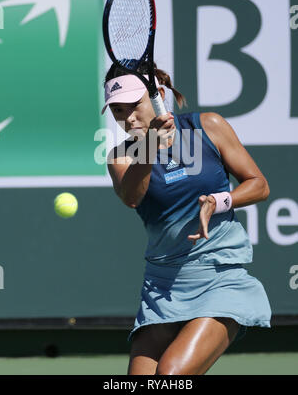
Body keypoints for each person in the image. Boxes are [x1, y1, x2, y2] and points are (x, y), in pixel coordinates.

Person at [101, 62, 272, 375]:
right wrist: (150, 143)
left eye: (135, 105)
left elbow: (259, 185)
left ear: (159, 96)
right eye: (118, 111)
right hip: (161, 287)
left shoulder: (209, 126)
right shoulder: (119, 156)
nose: (129, 118)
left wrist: (219, 202)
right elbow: (132, 196)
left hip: (220, 277)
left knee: (171, 376)